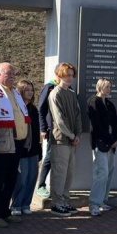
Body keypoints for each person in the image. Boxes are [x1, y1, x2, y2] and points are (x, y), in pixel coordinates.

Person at [0, 63, 29, 228]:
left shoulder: (14, 92)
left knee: (10, 179)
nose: (13, 77)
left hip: (16, 143)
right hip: (0, 144)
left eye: (14, 74)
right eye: (9, 74)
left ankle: (4, 211)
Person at [48, 63, 83, 217]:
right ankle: (57, 203)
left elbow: (77, 116)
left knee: (69, 174)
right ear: (59, 75)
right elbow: (59, 120)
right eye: (66, 74)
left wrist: (78, 135)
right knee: (59, 173)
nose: (70, 77)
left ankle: (65, 201)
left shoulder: (71, 93)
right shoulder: (55, 94)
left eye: (71, 74)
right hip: (61, 140)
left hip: (72, 141)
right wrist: (71, 135)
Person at [87, 78, 117, 217]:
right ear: (99, 87)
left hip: (112, 143)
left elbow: (115, 123)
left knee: (110, 170)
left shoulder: (110, 104)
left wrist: (116, 139)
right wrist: (110, 139)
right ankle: (94, 203)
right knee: (102, 172)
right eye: (106, 87)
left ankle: (103, 200)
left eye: (110, 87)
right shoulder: (94, 102)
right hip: (100, 142)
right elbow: (97, 125)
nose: (108, 90)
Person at [11, 79, 41, 216]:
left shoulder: (33, 109)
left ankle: (26, 204)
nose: (30, 92)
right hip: (22, 150)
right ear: (21, 92)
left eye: (31, 90)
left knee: (32, 178)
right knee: (21, 179)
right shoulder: (17, 108)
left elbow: (36, 129)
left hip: (34, 149)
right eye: (27, 90)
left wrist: (39, 148)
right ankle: (16, 205)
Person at [35, 64, 61, 199]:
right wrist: (43, 128)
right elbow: (41, 108)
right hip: (52, 129)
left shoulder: (68, 88)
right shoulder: (49, 87)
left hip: (64, 131)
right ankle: (41, 185)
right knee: (49, 157)